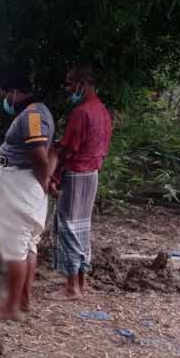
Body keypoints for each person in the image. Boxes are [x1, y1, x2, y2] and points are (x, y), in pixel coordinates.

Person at [0, 70, 55, 321]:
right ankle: (22, 300)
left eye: (5, 96)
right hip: (23, 182)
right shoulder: (37, 113)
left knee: (14, 247)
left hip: (18, 184)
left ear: (13, 92)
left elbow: (39, 153)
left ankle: (11, 306)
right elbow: (48, 152)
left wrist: (44, 179)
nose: (5, 101)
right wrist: (45, 179)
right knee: (26, 244)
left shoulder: (33, 115)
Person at [47, 65, 112, 301]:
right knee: (82, 228)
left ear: (81, 85)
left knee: (69, 228)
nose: (67, 89)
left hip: (76, 174)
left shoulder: (81, 112)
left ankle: (72, 287)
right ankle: (80, 282)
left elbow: (67, 149)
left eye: (69, 84)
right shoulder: (102, 111)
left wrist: (53, 169)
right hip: (91, 175)